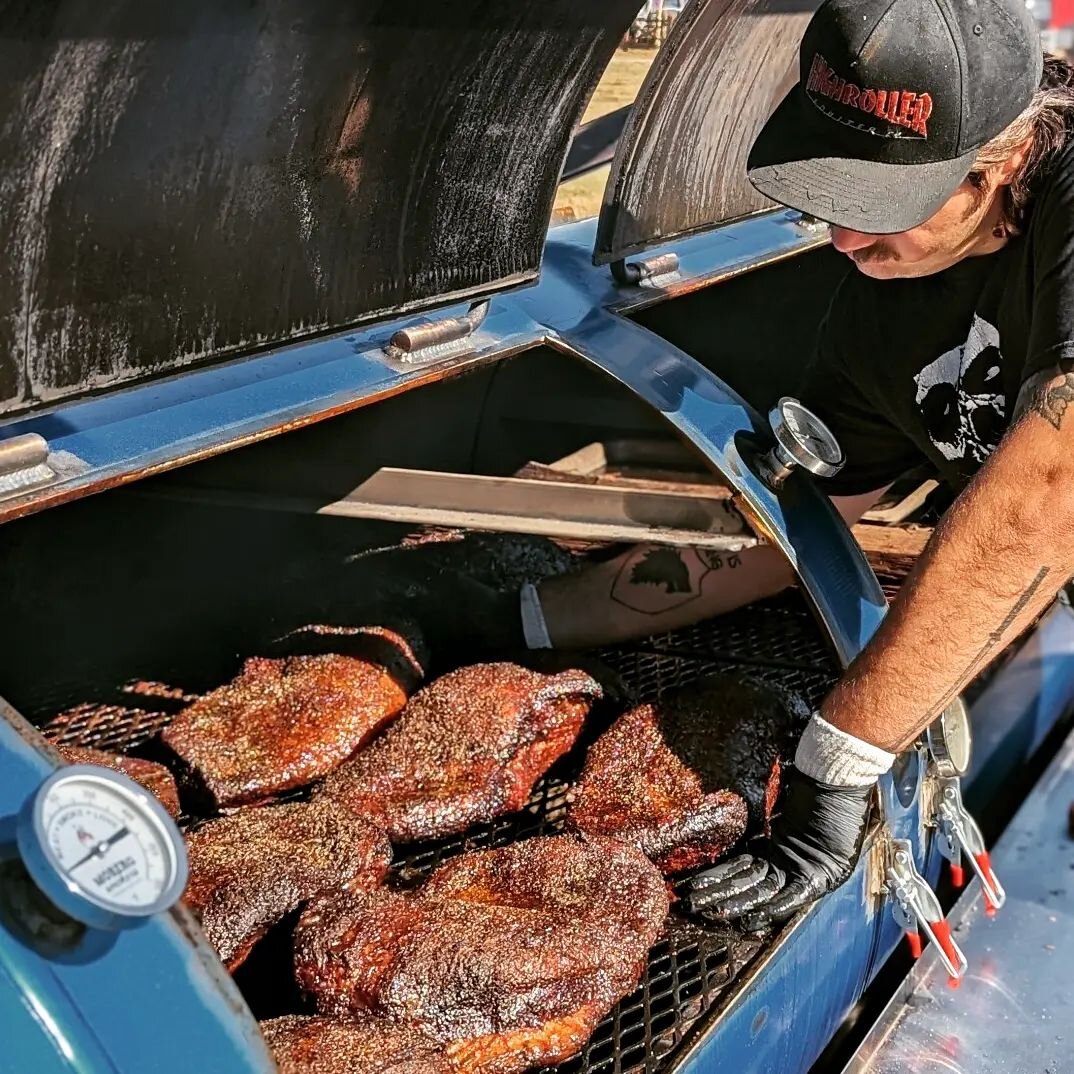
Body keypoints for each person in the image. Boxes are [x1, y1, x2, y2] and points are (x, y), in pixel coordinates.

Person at [418, 0, 1074, 931]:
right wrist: (528, 620)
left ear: (1000, 160)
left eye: (878, 207)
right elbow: (797, 531)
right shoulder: (874, 319)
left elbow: (1052, 497)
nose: (845, 242)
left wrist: (842, 757)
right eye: (831, 202)